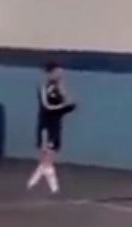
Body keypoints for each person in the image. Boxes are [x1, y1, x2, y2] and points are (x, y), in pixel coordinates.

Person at [27, 62, 76, 194]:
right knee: (47, 152)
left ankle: (37, 180)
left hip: (56, 124)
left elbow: (64, 104)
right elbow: (47, 106)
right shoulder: (44, 87)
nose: (60, 74)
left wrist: (69, 106)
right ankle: (50, 185)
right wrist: (65, 107)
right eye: (58, 72)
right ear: (51, 73)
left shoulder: (59, 87)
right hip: (46, 124)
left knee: (52, 152)